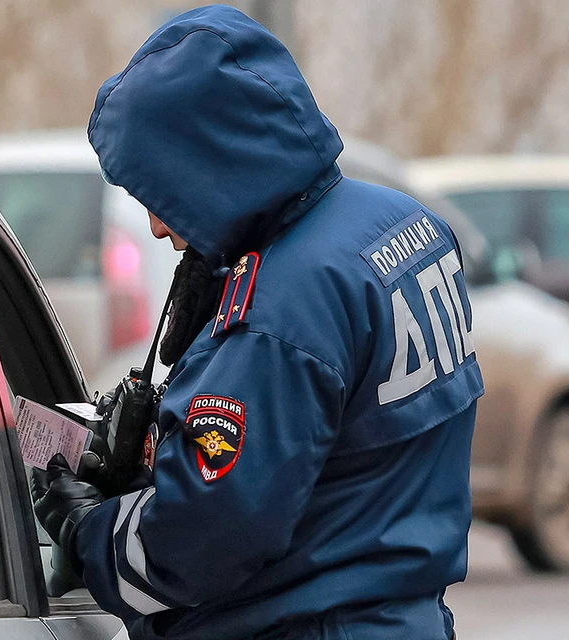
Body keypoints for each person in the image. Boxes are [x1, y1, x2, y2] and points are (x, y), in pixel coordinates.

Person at [31, 6, 482, 640]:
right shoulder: (402, 225)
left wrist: (90, 535)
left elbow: (204, 539)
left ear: (210, 161)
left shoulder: (276, 312)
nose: (158, 226)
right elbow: (338, 456)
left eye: (161, 193)